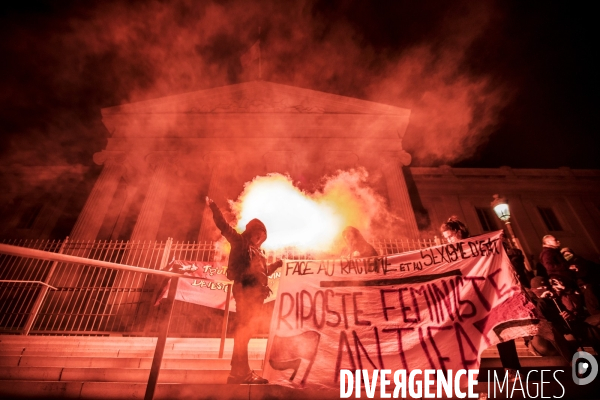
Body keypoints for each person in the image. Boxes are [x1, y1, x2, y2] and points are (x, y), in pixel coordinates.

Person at [205, 196, 282, 384]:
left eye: (262, 237)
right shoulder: (239, 242)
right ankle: (243, 373)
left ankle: (235, 374)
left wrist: (277, 265)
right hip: (245, 293)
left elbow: (262, 274)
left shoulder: (258, 253)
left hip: (256, 296)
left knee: (245, 334)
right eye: (258, 234)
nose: (259, 238)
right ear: (251, 232)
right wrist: (214, 206)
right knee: (243, 333)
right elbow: (224, 227)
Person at [439, 216, 522, 375]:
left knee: (501, 329)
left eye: (450, 236)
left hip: (490, 294)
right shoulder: (452, 253)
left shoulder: (478, 244)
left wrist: (499, 241)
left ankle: (512, 368)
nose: (449, 240)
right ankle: (464, 371)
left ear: (458, 232)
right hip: (469, 298)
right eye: (446, 238)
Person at [561, 247, 600, 315]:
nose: (567, 256)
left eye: (568, 254)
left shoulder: (584, 263)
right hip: (584, 292)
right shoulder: (566, 271)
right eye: (564, 255)